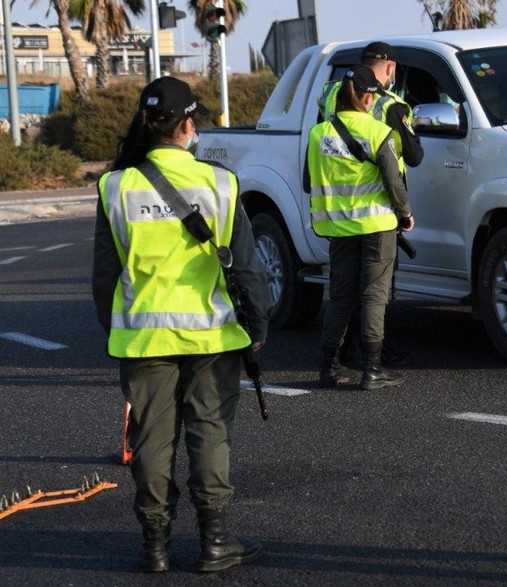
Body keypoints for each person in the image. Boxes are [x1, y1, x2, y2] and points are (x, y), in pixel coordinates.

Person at [92, 76, 271, 573]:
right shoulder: (220, 183)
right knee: (209, 434)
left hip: (143, 339)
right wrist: (258, 323)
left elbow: (104, 275)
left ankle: (155, 546)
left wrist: (114, 331)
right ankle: (215, 543)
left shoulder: (115, 187)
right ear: (188, 125)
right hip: (212, 336)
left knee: (152, 441)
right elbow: (249, 267)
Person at [305, 65, 414, 390]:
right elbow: (394, 182)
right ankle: (372, 370)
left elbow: (310, 180)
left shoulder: (317, 134)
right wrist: (405, 213)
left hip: (338, 227)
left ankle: (328, 368)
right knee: (373, 298)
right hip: (377, 225)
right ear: (368, 99)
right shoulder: (380, 133)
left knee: (339, 298)